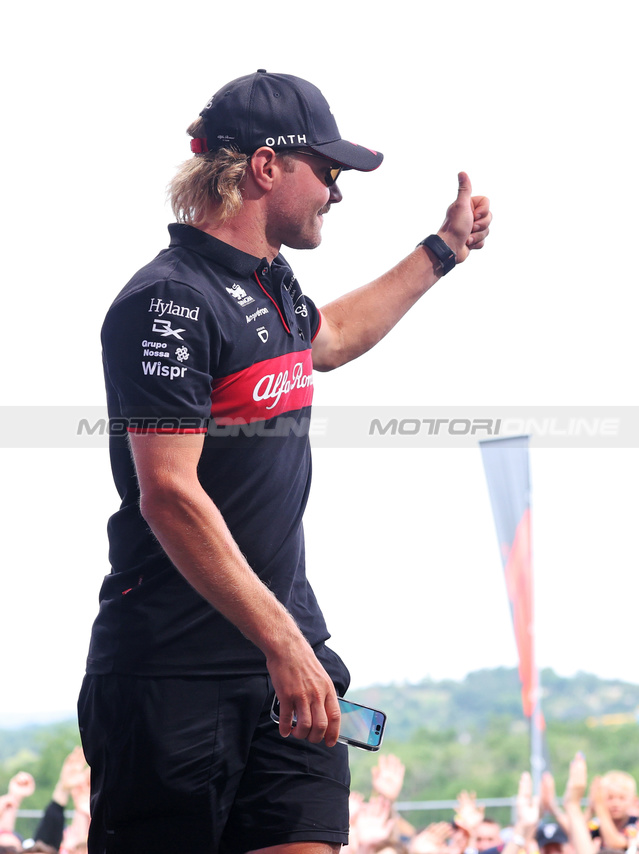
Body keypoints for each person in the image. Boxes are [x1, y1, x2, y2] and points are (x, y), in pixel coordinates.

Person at [78, 69, 491, 854]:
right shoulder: (166, 300)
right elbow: (168, 493)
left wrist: (441, 251)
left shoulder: (271, 283)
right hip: (174, 674)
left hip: (285, 668)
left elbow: (328, 339)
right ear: (266, 168)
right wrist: (280, 641)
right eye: (328, 172)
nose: (338, 191)